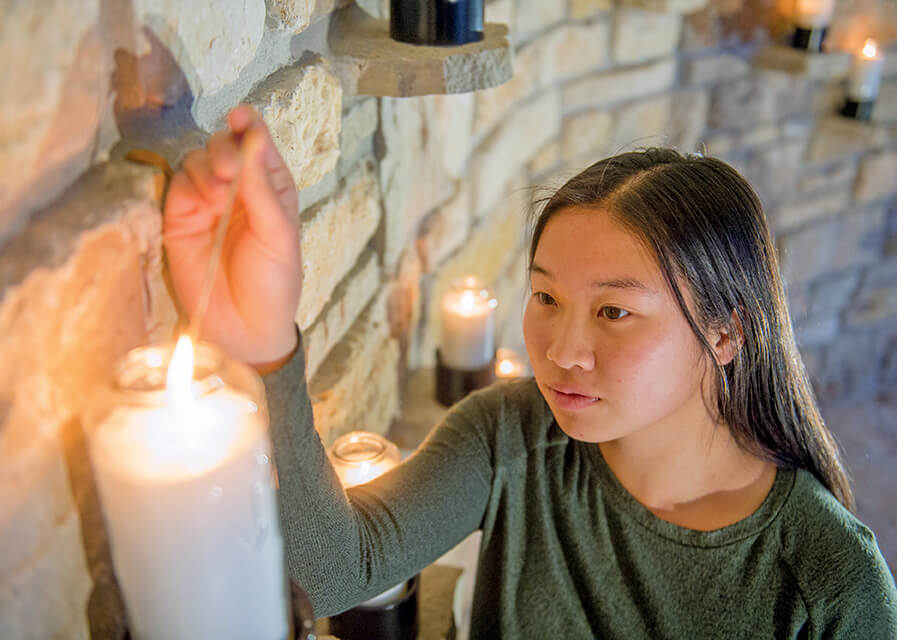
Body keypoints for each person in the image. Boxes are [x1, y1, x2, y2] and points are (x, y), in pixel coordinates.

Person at [164, 105, 897, 638]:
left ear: (725, 331)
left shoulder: (829, 579)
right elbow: (333, 573)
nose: (562, 349)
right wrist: (265, 346)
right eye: (545, 296)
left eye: (613, 312)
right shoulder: (511, 433)